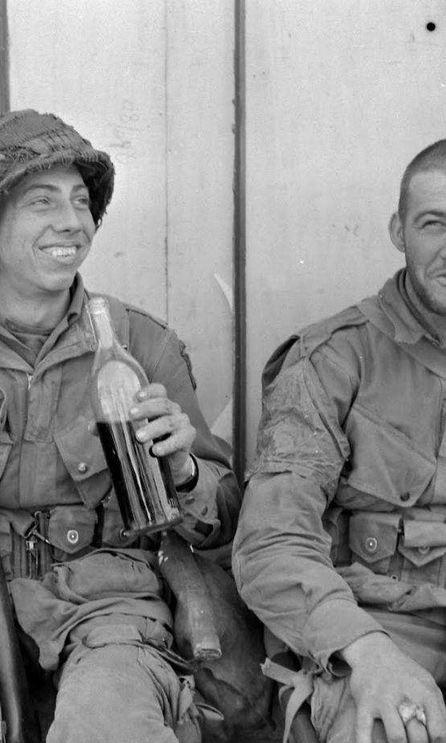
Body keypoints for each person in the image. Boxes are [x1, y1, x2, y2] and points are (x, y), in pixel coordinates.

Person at [0, 109, 251, 743]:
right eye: (42, 202)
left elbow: (221, 518)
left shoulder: (142, 344)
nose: (72, 221)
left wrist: (185, 468)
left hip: (108, 604)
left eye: (81, 202)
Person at [233, 139, 446, 743]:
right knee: (384, 729)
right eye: (435, 224)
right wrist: (366, 650)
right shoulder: (332, 360)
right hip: (380, 624)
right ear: (398, 231)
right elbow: (271, 542)